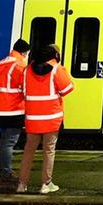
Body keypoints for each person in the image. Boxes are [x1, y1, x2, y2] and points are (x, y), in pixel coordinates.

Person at [17, 44, 74, 194]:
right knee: (49, 151)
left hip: (32, 119)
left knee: (29, 151)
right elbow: (67, 89)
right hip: (51, 118)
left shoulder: (27, 70)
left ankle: (22, 184)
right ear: (54, 56)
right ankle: (45, 184)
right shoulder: (56, 69)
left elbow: (22, 90)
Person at [0, 39, 30, 183]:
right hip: (14, 109)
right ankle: (6, 172)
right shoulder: (19, 66)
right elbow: (25, 89)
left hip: (1, 108)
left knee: (4, 141)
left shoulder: (5, 63)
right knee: (9, 142)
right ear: (24, 52)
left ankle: (4, 170)